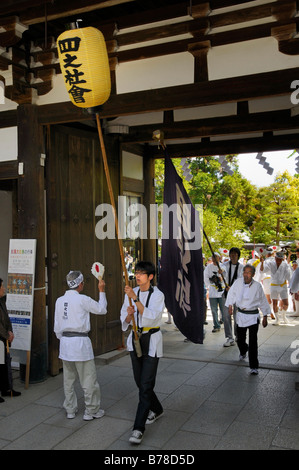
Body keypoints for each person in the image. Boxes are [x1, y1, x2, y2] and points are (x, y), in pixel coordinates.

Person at [120, 261, 165, 445]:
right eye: (136, 272)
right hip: (135, 339)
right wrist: (129, 315)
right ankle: (157, 408)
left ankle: (138, 428)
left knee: (145, 384)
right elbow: (124, 318)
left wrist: (135, 300)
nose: (137, 276)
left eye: (142, 273)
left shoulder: (158, 295)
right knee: (140, 382)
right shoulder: (131, 293)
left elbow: (153, 316)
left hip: (151, 339)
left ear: (151, 276)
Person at [54, 271, 107, 420]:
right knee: (88, 379)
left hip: (65, 344)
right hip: (80, 344)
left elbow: (57, 326)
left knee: (68, 380)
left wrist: (63, 340)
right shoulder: (83, 299)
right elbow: (102, 310)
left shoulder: (59, 301)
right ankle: (91, 410)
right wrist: (101, 291)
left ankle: (70, 409)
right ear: (81, 284)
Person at [225, 264, 270, 375]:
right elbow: (231, 293)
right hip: (241, 315)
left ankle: (254, 366)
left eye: (249, 272)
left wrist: (265, 316)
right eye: (245, 272)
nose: (246, 274)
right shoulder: (238, 282)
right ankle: (244, 350)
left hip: (253, 316)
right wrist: (230, 305)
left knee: (253, 341)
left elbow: (263, 300)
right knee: (240, 339)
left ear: (253, 274)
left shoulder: (257, 286)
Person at [0, 278, 21, 400]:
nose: (3, 288)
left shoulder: (2, 301)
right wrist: (7, 335)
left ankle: (6, 388)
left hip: (4, 337)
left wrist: (10, 332)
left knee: (5, 364)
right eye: (1, 286)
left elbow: (6, 320)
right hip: (1, 337)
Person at [260, 251, 292, 325]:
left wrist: (291, 286)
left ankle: (283, 316)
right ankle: (277, 319)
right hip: (274, 285)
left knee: (286, 303)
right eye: (278, 259)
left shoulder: (285, 265)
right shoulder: (271, 263)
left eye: (280, 259)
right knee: (275, 302)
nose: (279, 261)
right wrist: (262, 262)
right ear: (275, 258)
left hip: (283, 285)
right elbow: (263, 270)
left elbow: (289, 276)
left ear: (282, 259)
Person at [222, 247, 244, 347]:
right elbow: (222, 272)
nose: (233, 256)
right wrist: (220, 273)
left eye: (235, 254)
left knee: (236, 316)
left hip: (237, 295)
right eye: (231, 254)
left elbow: (242, 281)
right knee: (226, 316)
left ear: (238, 255)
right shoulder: (225, 265)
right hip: (226, 294)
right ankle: (229, 337)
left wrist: (233, 288)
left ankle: (237, 335)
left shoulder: (242, 267)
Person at [204, 253, 227, 332]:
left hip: (221, 291)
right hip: (213, 291)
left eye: (216, 257)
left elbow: (225, 274)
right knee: (214, 310)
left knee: (223, 309)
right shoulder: (208, 267)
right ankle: (216, 325)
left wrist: (221, 275)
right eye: (213, 257)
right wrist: (210, 284)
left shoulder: (223, 266)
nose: (214, 258)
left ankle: (225, 322)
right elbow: (205, 277)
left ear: (219, 258)